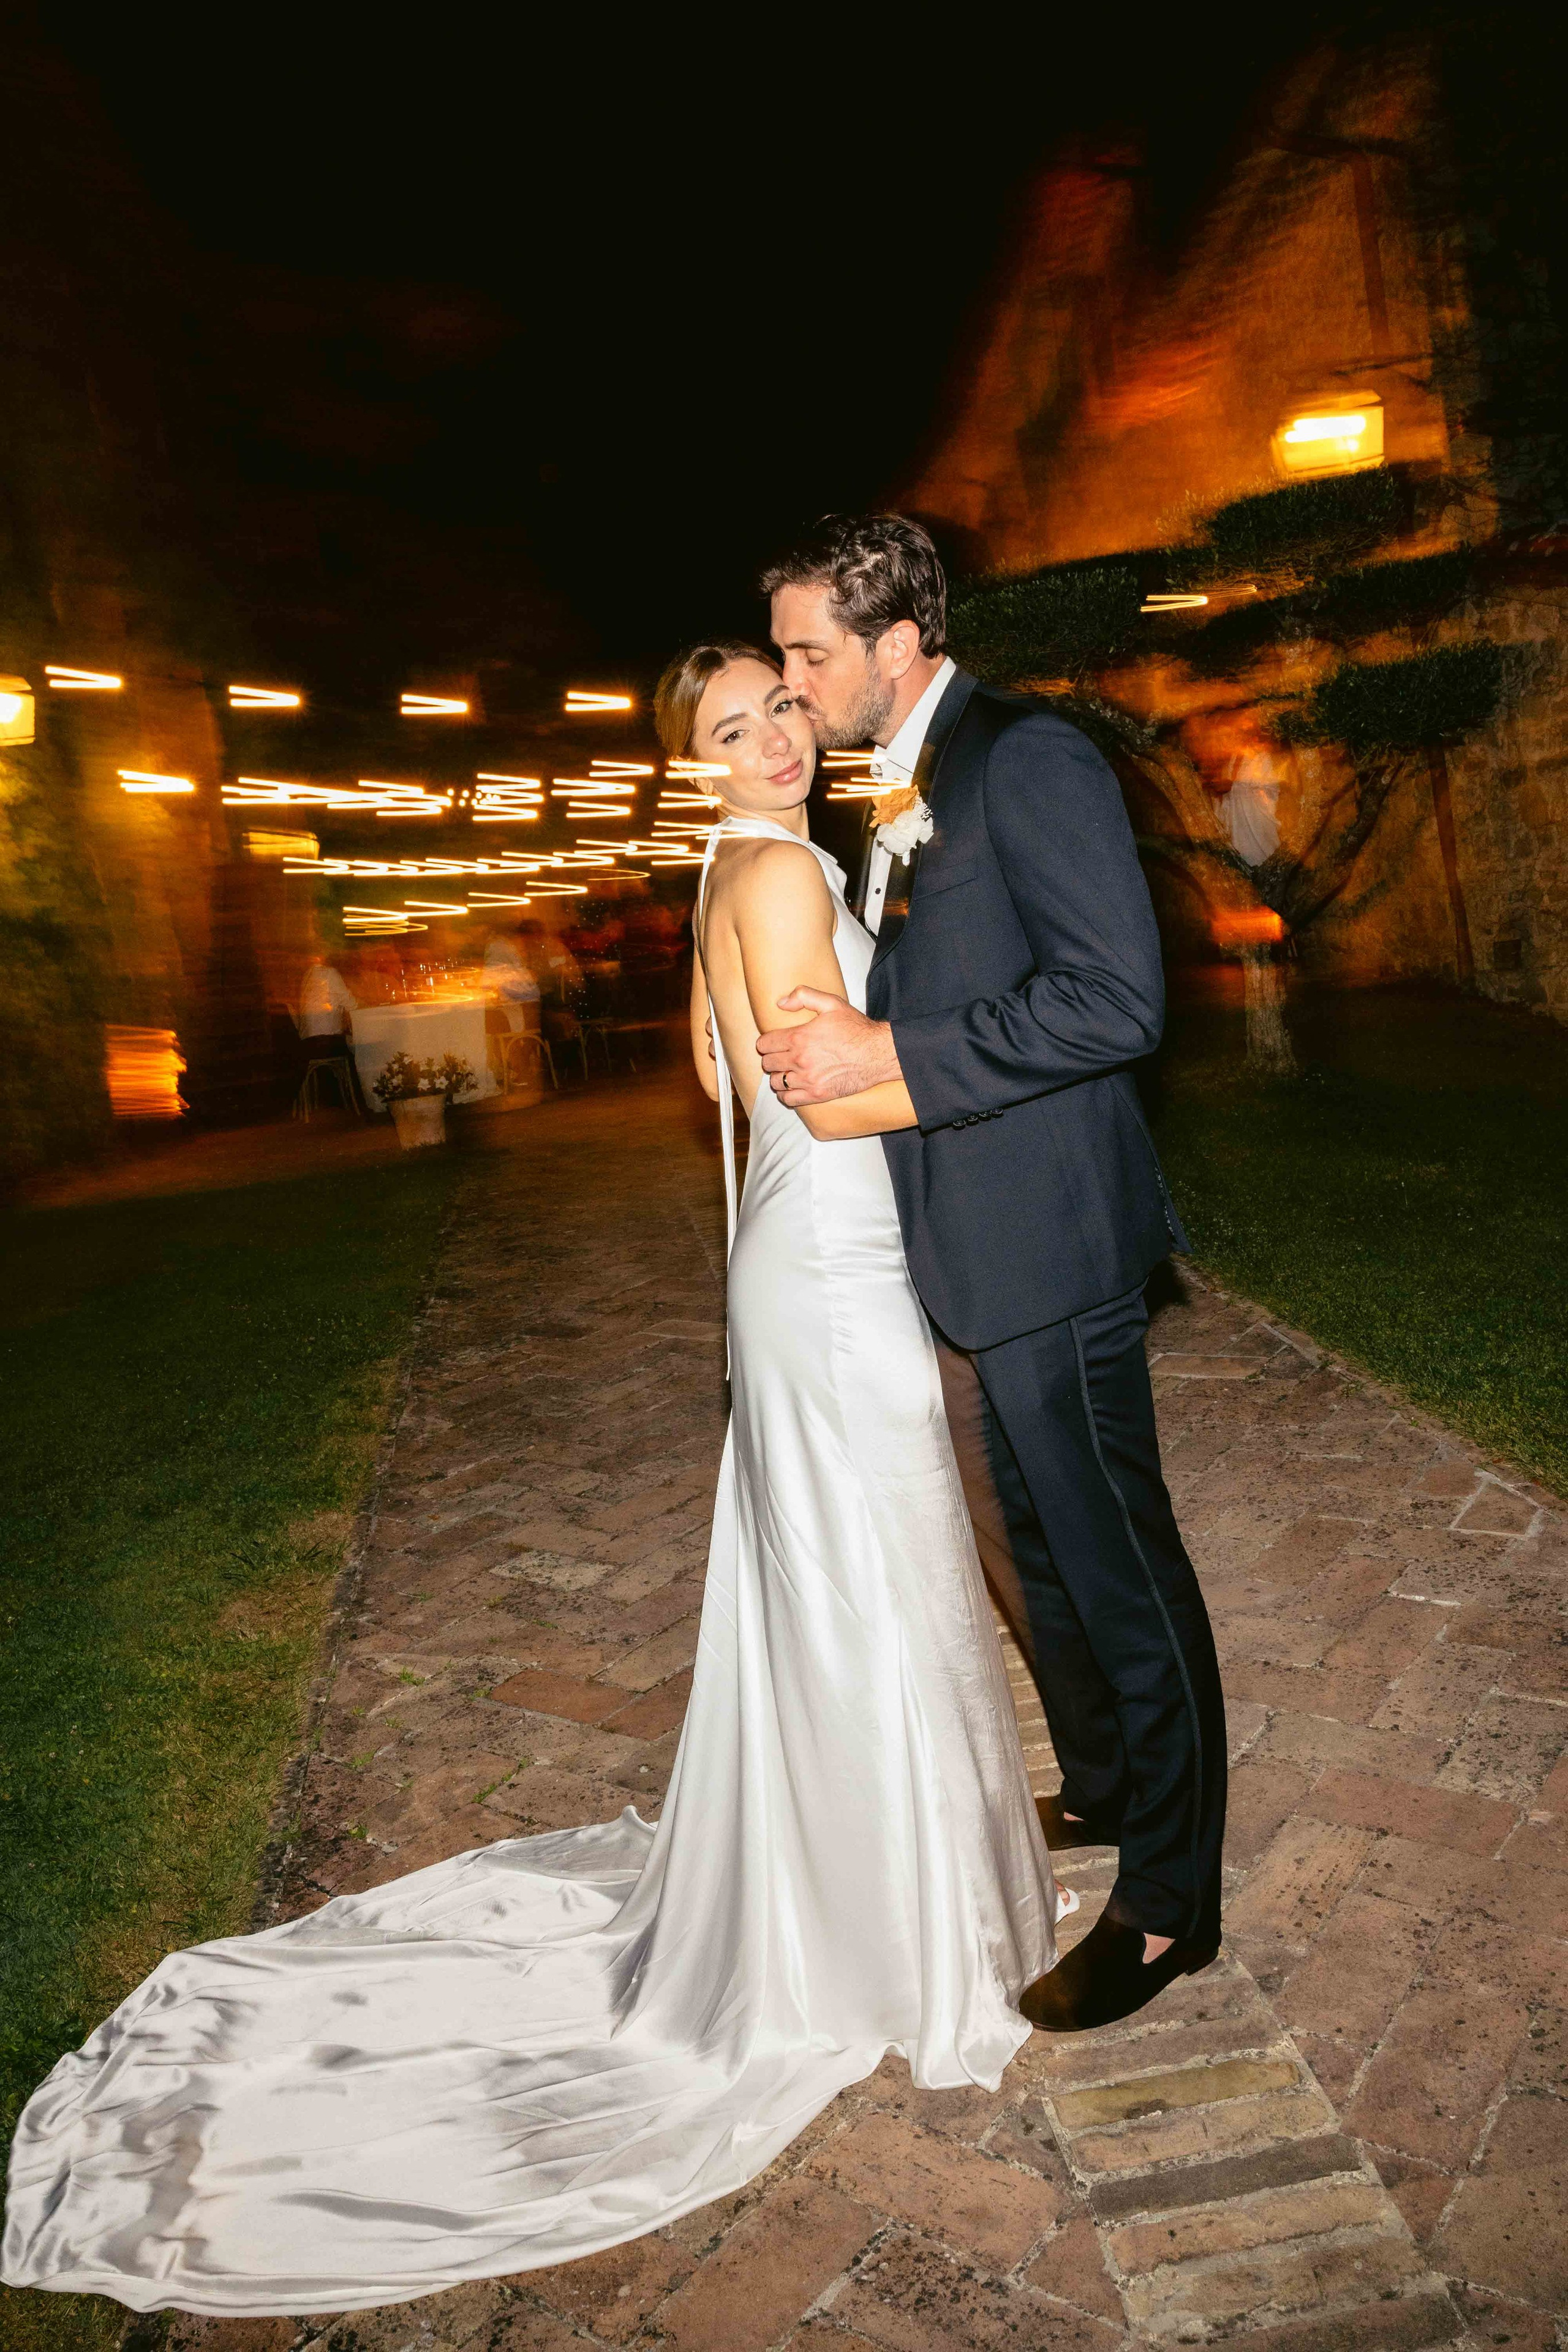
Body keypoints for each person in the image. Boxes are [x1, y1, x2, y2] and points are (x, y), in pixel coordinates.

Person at [1, 643, 1063, 2319]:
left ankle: (856, 1892)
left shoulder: (729, 870)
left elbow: (717, 1080)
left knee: (843, 1586)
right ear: (697, 763)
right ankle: (900, 1937)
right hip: (842, 1272)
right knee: (878, 1582)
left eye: (784, 706)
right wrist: (983, 1083)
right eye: (736, 729)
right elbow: (821, 1090)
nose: (779, 737)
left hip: (790, 1267)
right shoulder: (781, 866)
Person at [758, 514, 1226, 2032]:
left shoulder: (1024, 760)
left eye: (805, 653)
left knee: (1118, 1568)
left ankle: (1169, 1905)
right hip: (974, 1249)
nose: (789, 681)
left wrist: (885, 1051)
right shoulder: (907, 785)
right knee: (1035, 1545)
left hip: (1056, 1246)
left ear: (896, 646)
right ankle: (1099, 1787)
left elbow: (1112, 1001)